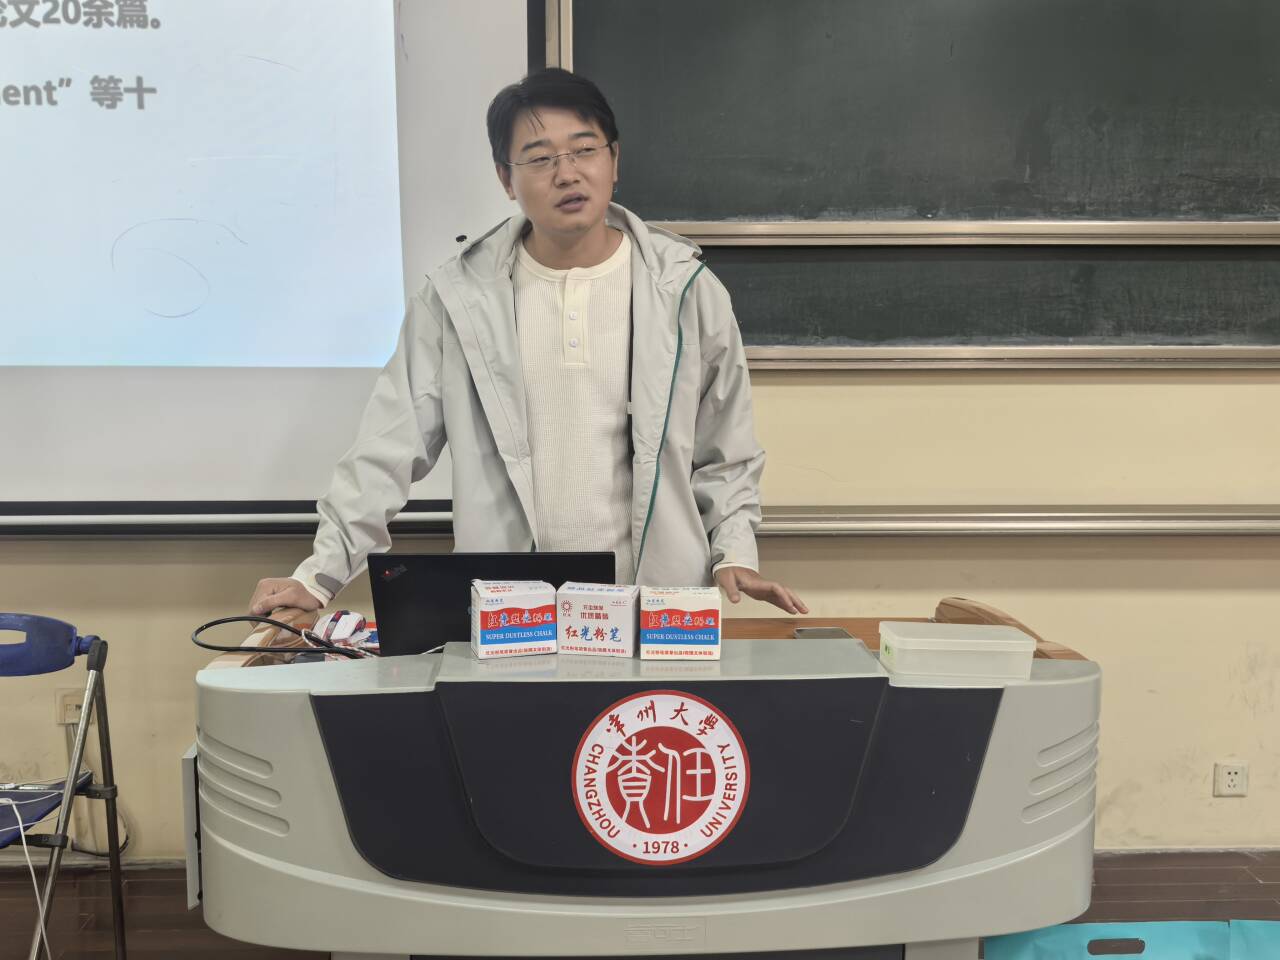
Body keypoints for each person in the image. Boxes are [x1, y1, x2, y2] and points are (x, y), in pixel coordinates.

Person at [249, 68, 806, 618]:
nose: (567, 174)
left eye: (584, 150)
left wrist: (733, 550)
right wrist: (319, 575)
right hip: (514, 616)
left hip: (656, 614)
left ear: (614, 160)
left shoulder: (686, 290)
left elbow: (726, 449)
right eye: (539, 159)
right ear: (505, 178)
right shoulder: (457, 299)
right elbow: (386, 448)